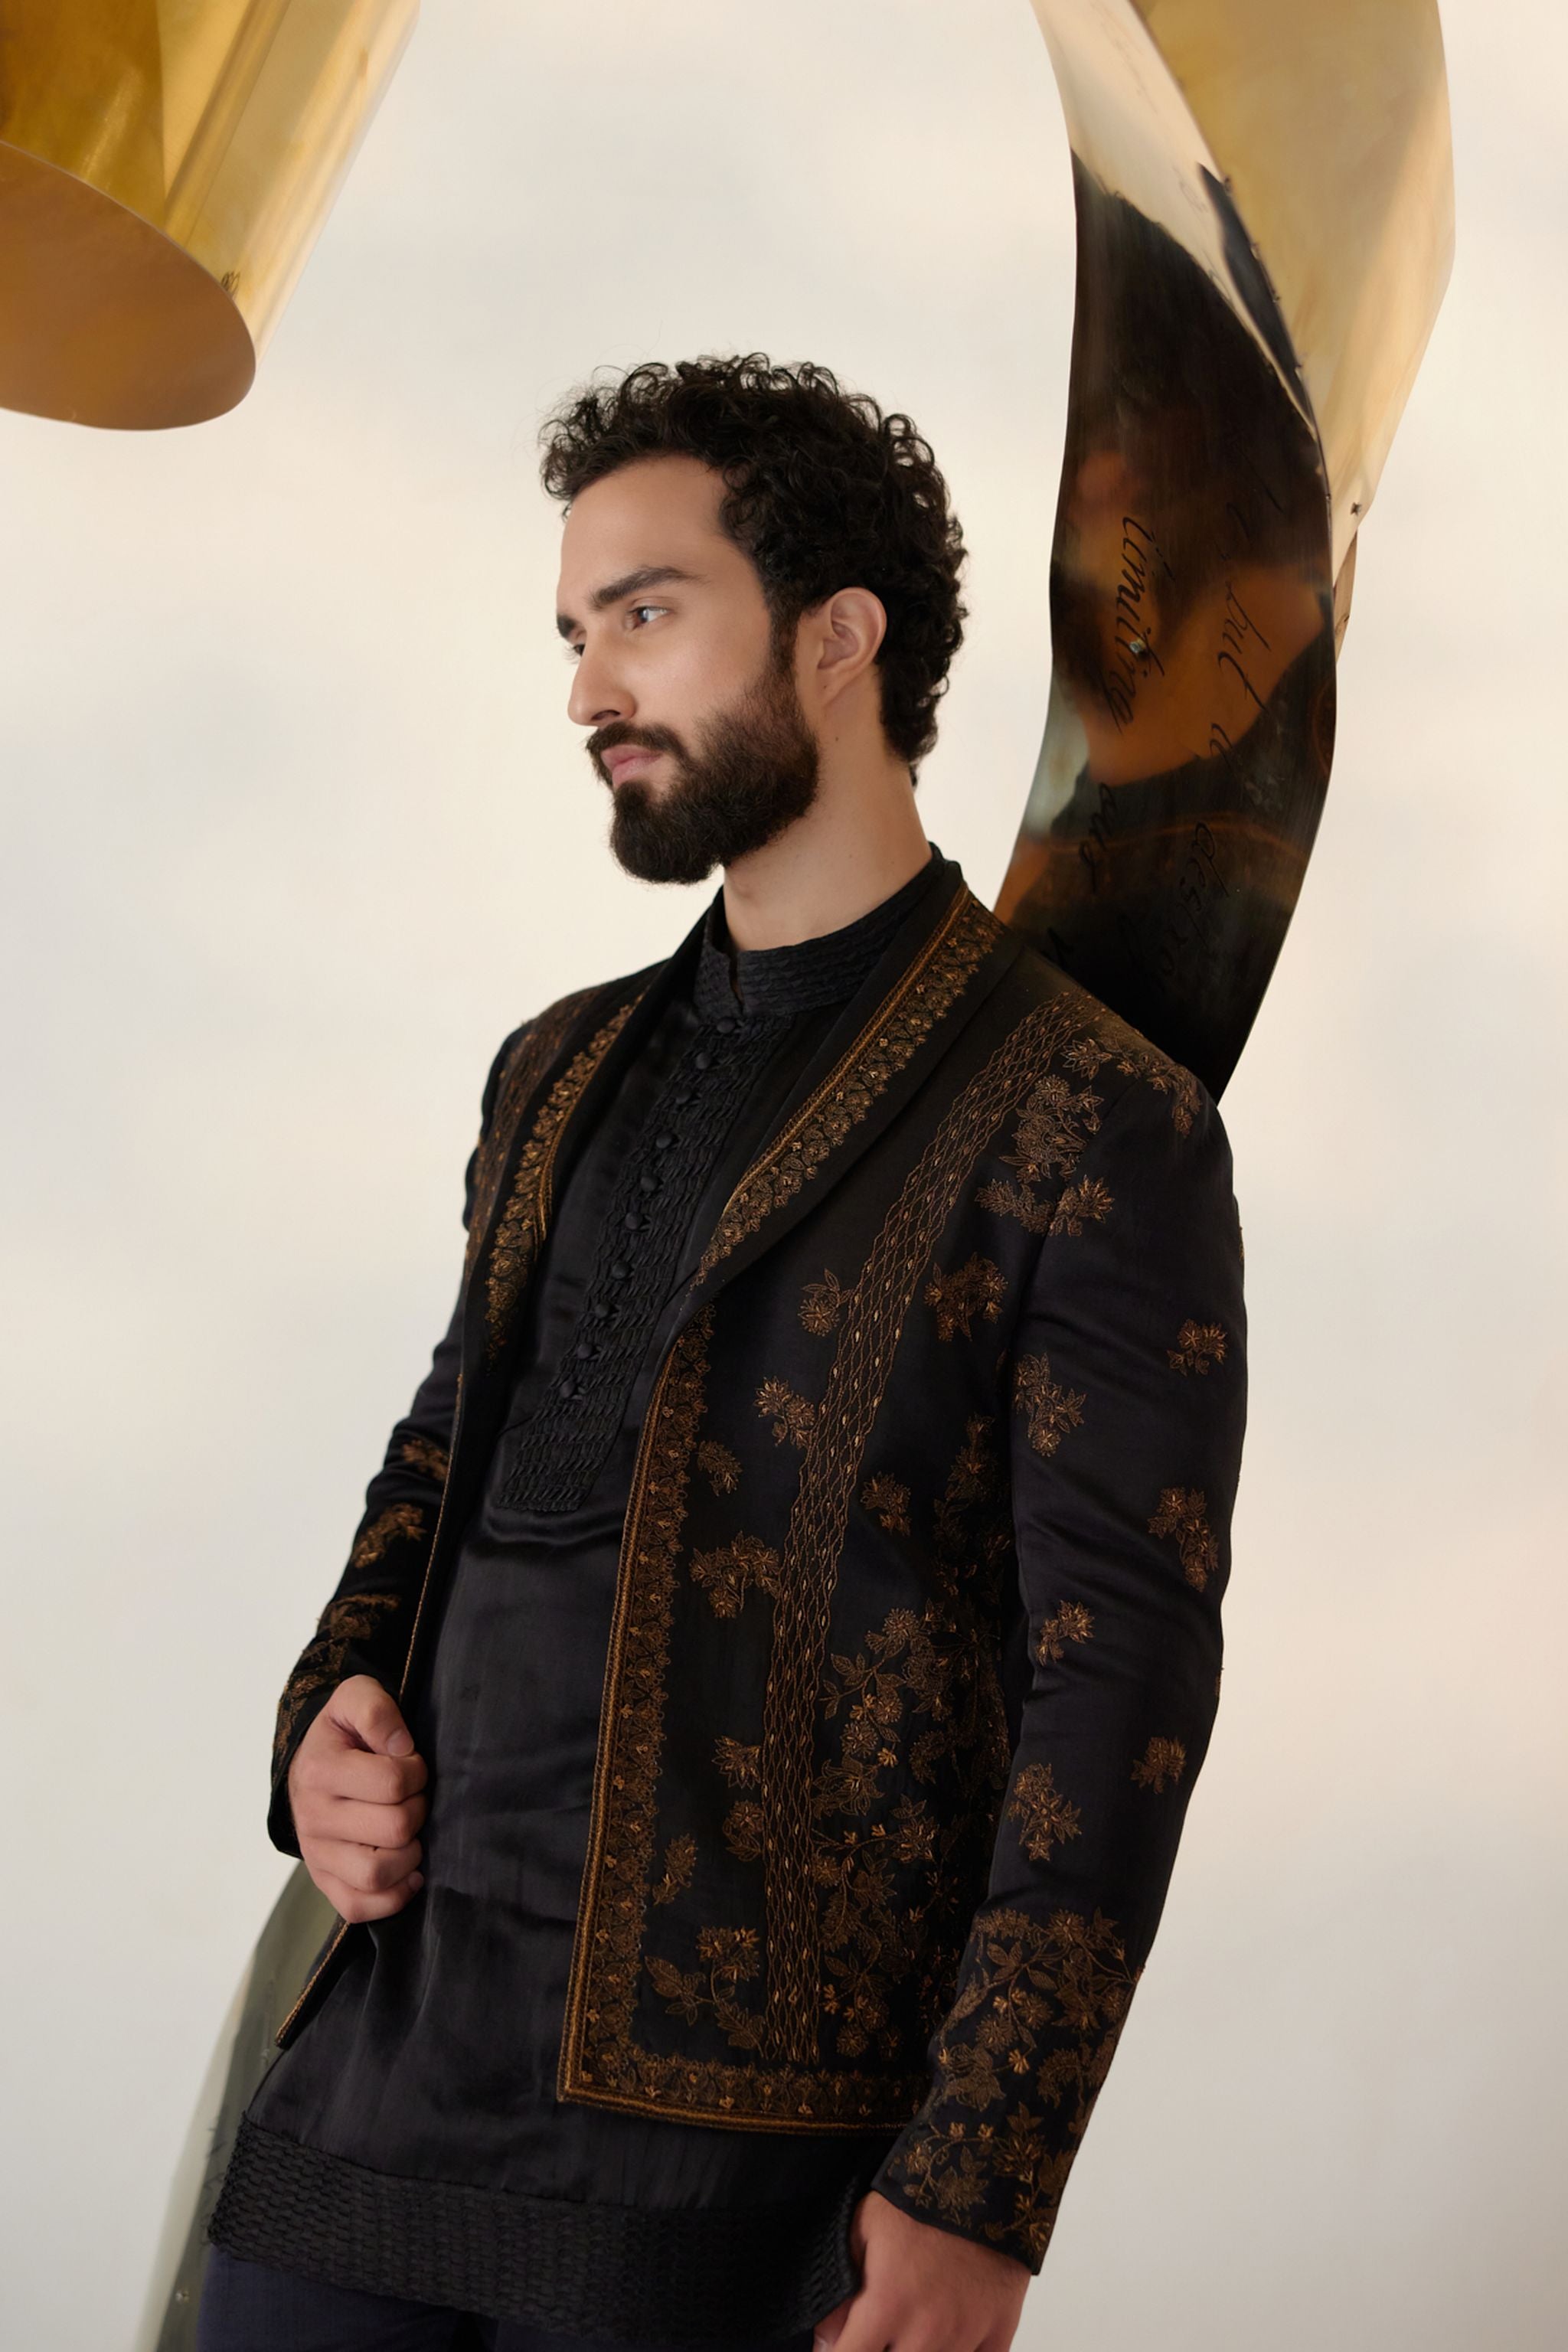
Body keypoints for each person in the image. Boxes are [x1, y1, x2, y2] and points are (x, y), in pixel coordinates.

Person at [200, 356, 1246, 2352]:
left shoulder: (1087, 1120)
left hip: (730, 2168)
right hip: (381, 2081)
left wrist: (984, 2180)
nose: (590, 690)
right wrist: (322, 1715)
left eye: (647, 614)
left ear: (838, 640)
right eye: (575, 634)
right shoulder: (558, 1068)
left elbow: (1118, 1694)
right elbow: (447, 1451)